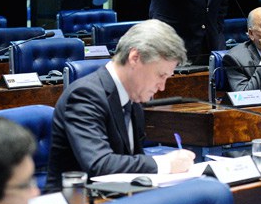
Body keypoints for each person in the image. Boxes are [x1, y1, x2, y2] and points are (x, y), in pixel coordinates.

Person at [45, 19, 196, 191]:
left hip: (119, 198)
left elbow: (132, 163)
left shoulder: (133, 98)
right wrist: (165, 163)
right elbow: (100, 165)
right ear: (135, 58)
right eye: (161, 75)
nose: (162, 87)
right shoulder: (84, 95)